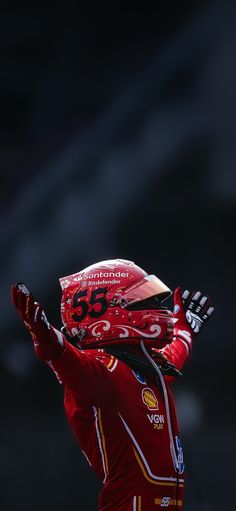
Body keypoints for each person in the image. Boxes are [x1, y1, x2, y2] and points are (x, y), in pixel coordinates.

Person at [11, 258, 214, 510]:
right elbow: (67, 362)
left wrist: (185, 330)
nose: (154, 306)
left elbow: (172, 356)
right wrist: (45, 337)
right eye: (143, 299)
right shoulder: (101, 372)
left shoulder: (145, 367)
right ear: (105, 308)